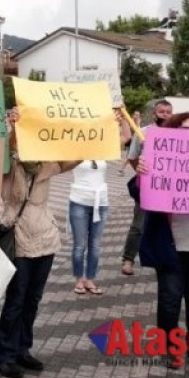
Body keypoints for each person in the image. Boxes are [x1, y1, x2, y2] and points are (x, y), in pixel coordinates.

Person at [0, 107, 80, 378]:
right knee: (16, 299)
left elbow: (75, 157)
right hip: (18, 235)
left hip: (45, 236)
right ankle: (4, 356)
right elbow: (2, 153)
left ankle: (23, 349)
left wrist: (101, 132)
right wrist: (14, 129)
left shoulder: (47, 162)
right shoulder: (10, 163)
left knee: (33, 299)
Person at [136, 112, 189, 372]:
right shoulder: (158, 162)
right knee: (169, 300)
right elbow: (139, 194)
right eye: (182, 131)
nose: (188, 136)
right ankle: (169, 349)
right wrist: (141, 174)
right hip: (169, 248)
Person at [70, 110, 131, 295]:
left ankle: (90, 279)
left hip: (101, 203)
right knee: (80, 245)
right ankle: (79, 279)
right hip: (79, 201)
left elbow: (127, 136)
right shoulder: (74, 148)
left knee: (95, 245)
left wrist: (122, 117)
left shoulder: (104, 149)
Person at [121, 99, 173, 276]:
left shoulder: (177, 134)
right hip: (147, 187)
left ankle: (164, 257)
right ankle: (128, 259)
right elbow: (133, 156)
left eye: (168, 112)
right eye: (162, 111)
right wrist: (141, 173)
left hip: (169, 188)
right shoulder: (142, 133)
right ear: (154, 114)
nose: (165, 114)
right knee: (139, 224)